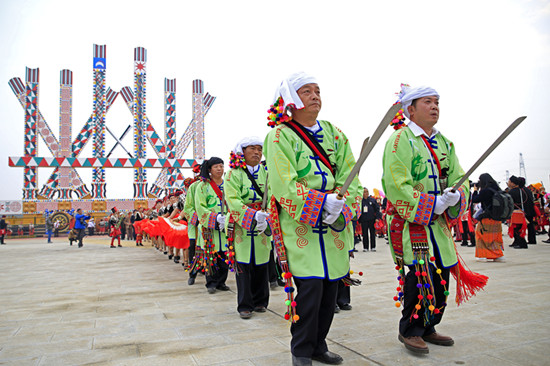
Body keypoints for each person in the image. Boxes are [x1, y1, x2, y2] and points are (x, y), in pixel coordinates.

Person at [264, 72, 362, 366]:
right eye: (306, 91)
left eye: (317, 90)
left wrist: (342, 205)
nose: (315, 95)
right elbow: (284, 183)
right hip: (301, 227)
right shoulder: (280, 135)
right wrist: (320, 203)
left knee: (331, 289)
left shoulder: (335, 132)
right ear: (291, 100)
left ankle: (319, 346)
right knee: (310, 289)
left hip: (333, 228)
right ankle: (302, 350)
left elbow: (351, 175)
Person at [382, 84, 486, 354]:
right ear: (410, 110)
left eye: (437, 101)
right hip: (414, 223)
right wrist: (432, 203)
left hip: (438, 225)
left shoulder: (444, 142)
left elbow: (459, 176)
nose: (434, 106)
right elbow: (396, 183)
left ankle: (430, 325)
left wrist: (455, 196)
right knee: (420, 277)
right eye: (427, 102)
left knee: (441, 278)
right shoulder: (399, 140)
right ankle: (411, 329)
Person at [225, 136, 272, 319]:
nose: (256, 152)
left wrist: (267, 214)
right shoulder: (233, 174)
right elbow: (232, 199)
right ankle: (245, 304)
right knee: (243, 265)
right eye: (251, 148)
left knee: (262, 263)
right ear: (242, 152)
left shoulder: (267, 172)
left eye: (259, 149)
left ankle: (261, 301)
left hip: (264, 221)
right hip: (242, 226)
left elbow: (275, 194)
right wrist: (252, 215)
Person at [195, 157, 230, 294]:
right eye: (216, 166)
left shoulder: (228, 184)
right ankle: (211, 282)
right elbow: (200, 207)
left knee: (226, 253)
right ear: (209, 169)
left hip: (226, 224)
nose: (220, 169)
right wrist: (215, 218)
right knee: (211, 254)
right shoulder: (203, 186)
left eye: (221, 166)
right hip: (210, 225)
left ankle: (222, 281)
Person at [471, 173, 504, 261]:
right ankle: (498, 255)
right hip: (497, 217)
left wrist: (475, 190)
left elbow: (475, 199)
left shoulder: (485, 191)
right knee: (495, 237)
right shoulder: (496, 188)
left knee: (480, 235)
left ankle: (483, 255)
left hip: (487, 217)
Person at [507, 176, 532, 248]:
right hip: (521, 212)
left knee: (516, 228)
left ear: (513, 183)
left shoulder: (512, 192)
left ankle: (522, 243)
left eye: (509, 181)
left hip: (515, 212)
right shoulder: (522, 190)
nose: (508, 183)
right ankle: (517, 242)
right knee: (519, 228)